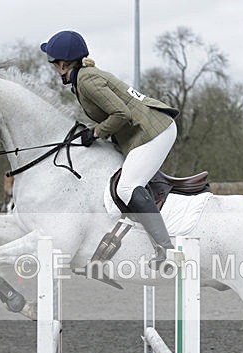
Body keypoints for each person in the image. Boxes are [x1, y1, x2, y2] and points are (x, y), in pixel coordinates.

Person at [40, 30, 179, 268]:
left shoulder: (87, 81)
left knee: (126, 187)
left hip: (155, 130)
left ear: (63, 64)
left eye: (53, 64)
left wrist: (96, 132)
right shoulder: (84, 78)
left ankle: (166, 250)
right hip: (144, 130)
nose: (53, 68)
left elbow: (121, 114)